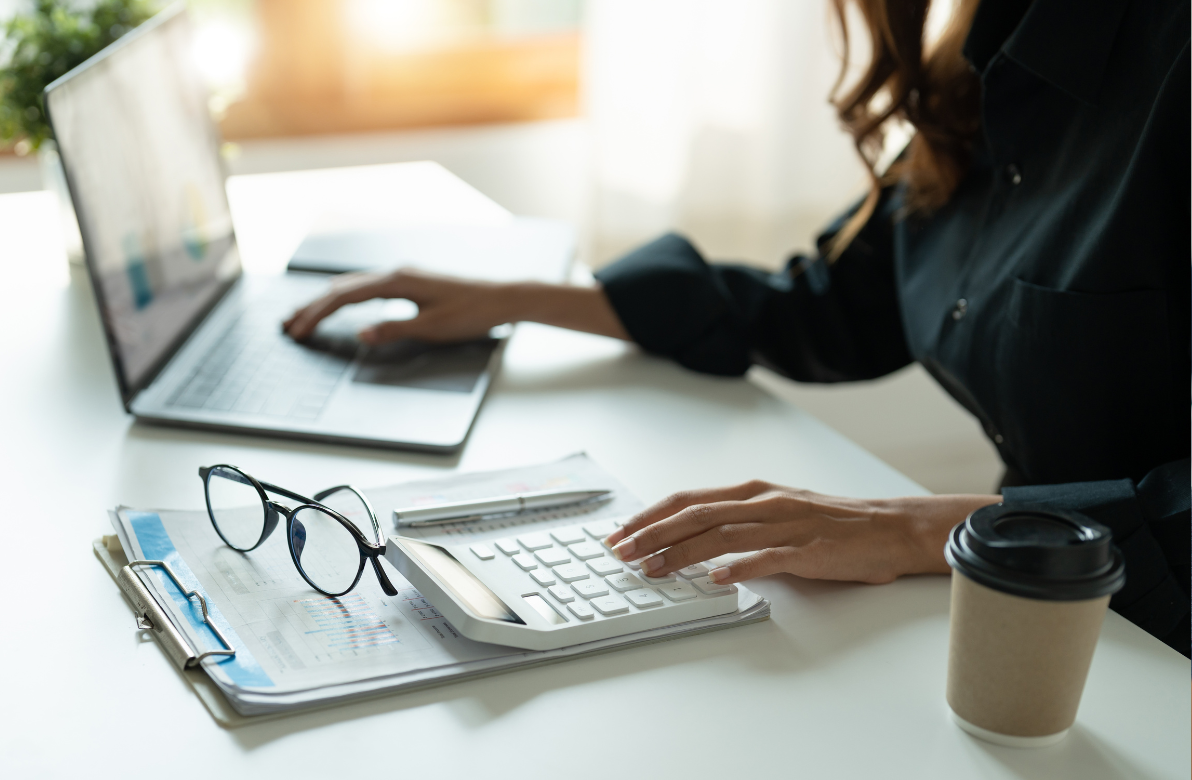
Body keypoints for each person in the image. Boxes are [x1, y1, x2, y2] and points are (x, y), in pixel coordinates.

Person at [285, 0, 1190, 656]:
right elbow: (838, 305)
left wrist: (922, 529)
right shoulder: (989, 53)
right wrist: (519, 300)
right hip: (1040, 624)